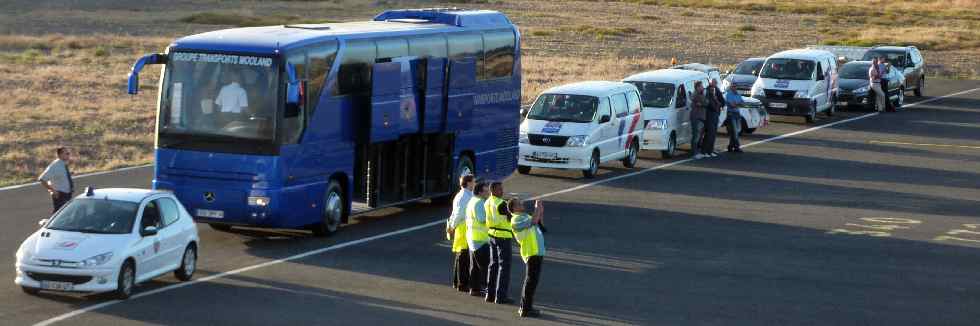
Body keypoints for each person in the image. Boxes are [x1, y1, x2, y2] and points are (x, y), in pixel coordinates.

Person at [509, 198, 547, 318]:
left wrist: (540, 211)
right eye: (519, 204)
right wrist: (537, 209)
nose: (522, 204)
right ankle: (525, 308)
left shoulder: (525, 216)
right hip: (531, 252)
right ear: (514, 208)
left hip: (537, 252)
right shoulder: (516, 219)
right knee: (530, 281)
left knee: (533, 282)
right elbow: (534, 221)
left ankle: (527, 307)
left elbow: (539, 223)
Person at [484, 181, 513, 304]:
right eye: (500, 189)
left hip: (492, 235)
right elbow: (512, 217)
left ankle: (489, 294)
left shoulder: (488, 201)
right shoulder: (501, 204)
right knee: (504, 267)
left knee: (493, 265)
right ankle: (501, 296)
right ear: (493, 191)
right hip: (503, 236)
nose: (502, 191)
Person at [447, 174, 475, 293]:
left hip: (463, 228)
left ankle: (457, 281)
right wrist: (452, 227)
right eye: (473, 182)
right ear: (468, 183)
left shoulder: (465, 195)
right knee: (463, 257)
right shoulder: (464, 196)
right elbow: (458, 214)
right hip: (463, 228)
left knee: (461, 257)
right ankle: (462, 283)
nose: (474, 183)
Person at [465, 182, 491, 297]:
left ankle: (474, 289)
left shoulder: (472, 201)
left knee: (474, 267)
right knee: (484, 267)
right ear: (480, 192)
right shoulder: (480, 202)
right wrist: (492, 218)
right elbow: (482, 219)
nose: (488, 193)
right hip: (481, 240)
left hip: (472, 238)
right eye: (486, 191)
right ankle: (485, 289)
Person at [38, 147, 75, 213]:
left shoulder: (63, 164)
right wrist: (52, 190)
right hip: (60, 195)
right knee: (60, 215)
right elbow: (42, 179)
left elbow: (59, 175)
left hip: (67, 194)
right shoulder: (55, 166)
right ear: (60, 155)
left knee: (66, 214)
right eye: (67, 153)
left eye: (69, 153)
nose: (69, 155)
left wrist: (69, 174)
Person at [702, 79, 725, 157]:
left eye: (716, 83)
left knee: (714, 133)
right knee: (709, 133)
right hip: (710, 115)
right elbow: (710, 104)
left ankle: (710, 151)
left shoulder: (717, 90)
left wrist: (718, 104)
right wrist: (717, 103)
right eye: (714, 83)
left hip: (716, 114)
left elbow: (722, 101)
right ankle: (704, 151)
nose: (715, 84)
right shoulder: (707, 92)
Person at [724, 83, 745, 153]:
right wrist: (738, 104)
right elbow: (732, 105)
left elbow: (743, 103)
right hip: (731, 114)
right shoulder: (728, 95)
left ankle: (730, 146)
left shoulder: (738, 94)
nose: (734, 88)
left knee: (737, 131)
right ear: (730, 87)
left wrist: (736, 104)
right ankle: (737, 147)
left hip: (737, 114)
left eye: (735, 86)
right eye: (733, 86)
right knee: (735, 131)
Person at [690, 81, 707, 159]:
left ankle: (697, 152)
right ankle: (694, 153)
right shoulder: (696, 95)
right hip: (697, 117)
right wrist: (704, 103)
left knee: (699, 136)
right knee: (696, 136)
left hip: (701, 117)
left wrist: (704, 103)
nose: (703, 87)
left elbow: (706, 102)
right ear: (697, 87)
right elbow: (705, 103)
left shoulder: (700, 94)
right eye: (701, 86)